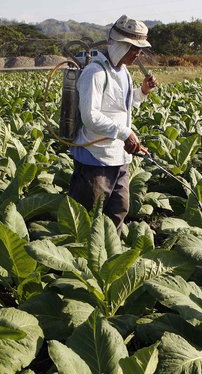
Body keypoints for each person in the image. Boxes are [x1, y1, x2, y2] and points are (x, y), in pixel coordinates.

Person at [68, 15, 158, 234]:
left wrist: (142, 92)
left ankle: (110, 258)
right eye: (133, 47)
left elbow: (121, 106)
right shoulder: (94, 73)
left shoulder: (123, 72)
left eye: (140, 49)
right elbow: (90, 116)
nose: (138, 53)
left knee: (119, 210)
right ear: (118, 44)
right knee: (88, 218)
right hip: (95, 160)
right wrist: (125, 133)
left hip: (119, 159)